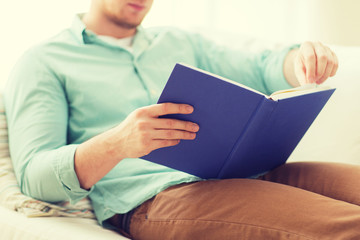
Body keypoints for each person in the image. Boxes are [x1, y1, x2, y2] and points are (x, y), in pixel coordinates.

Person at [4, 0, 360, 239]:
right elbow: (36, 176)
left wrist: (301, 59)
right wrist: (117, 143)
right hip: (159, 197)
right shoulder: (43, 61)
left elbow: (262, 66)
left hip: (250, 171)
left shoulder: (180, 42)